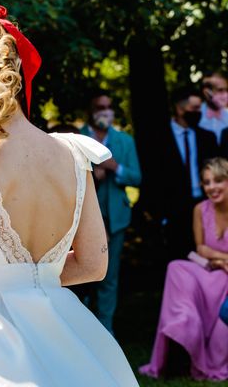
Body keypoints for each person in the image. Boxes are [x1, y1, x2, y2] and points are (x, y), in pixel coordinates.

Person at [0, 0, 138, 385]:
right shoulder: (74, 152)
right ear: (19, 71)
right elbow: (92, 266)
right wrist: (35, 277)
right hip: (63, 329)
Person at [140, 157, 228, 381]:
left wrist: (217, 258)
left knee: (220, 344)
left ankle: (204, 348)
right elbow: (200, 249)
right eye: (206, 182)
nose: (211, 187)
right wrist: (221, 260)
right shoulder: (200, 209)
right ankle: (185, 322)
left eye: (218, 181)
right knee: (177, 267)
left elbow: (207, 250)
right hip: (211, 271)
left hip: (226, 281)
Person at [80, 91, 141, 335]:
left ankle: (106, 331)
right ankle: (81, 328)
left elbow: (136, 177)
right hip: (83, 219)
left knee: (109, 277)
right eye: (99, 107)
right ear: (91, 111)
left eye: (108, 106)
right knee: (82, 275)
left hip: (115, 219)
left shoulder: (124, 141)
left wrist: (114, 167)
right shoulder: (78, 137)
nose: (104, 111)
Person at [159, 87, 218, 262]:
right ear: (180, 109)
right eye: (194, 109)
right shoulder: (159, 138)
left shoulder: (207, 137)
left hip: (204, 202)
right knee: (179, 254)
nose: (198, 113)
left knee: (204, 253)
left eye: (200, 109)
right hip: (174, 207)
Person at [199, 71, 228, 142]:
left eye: (226, 90)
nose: (225, 94)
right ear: (206, 93)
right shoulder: (196, 115)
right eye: (220, 90)